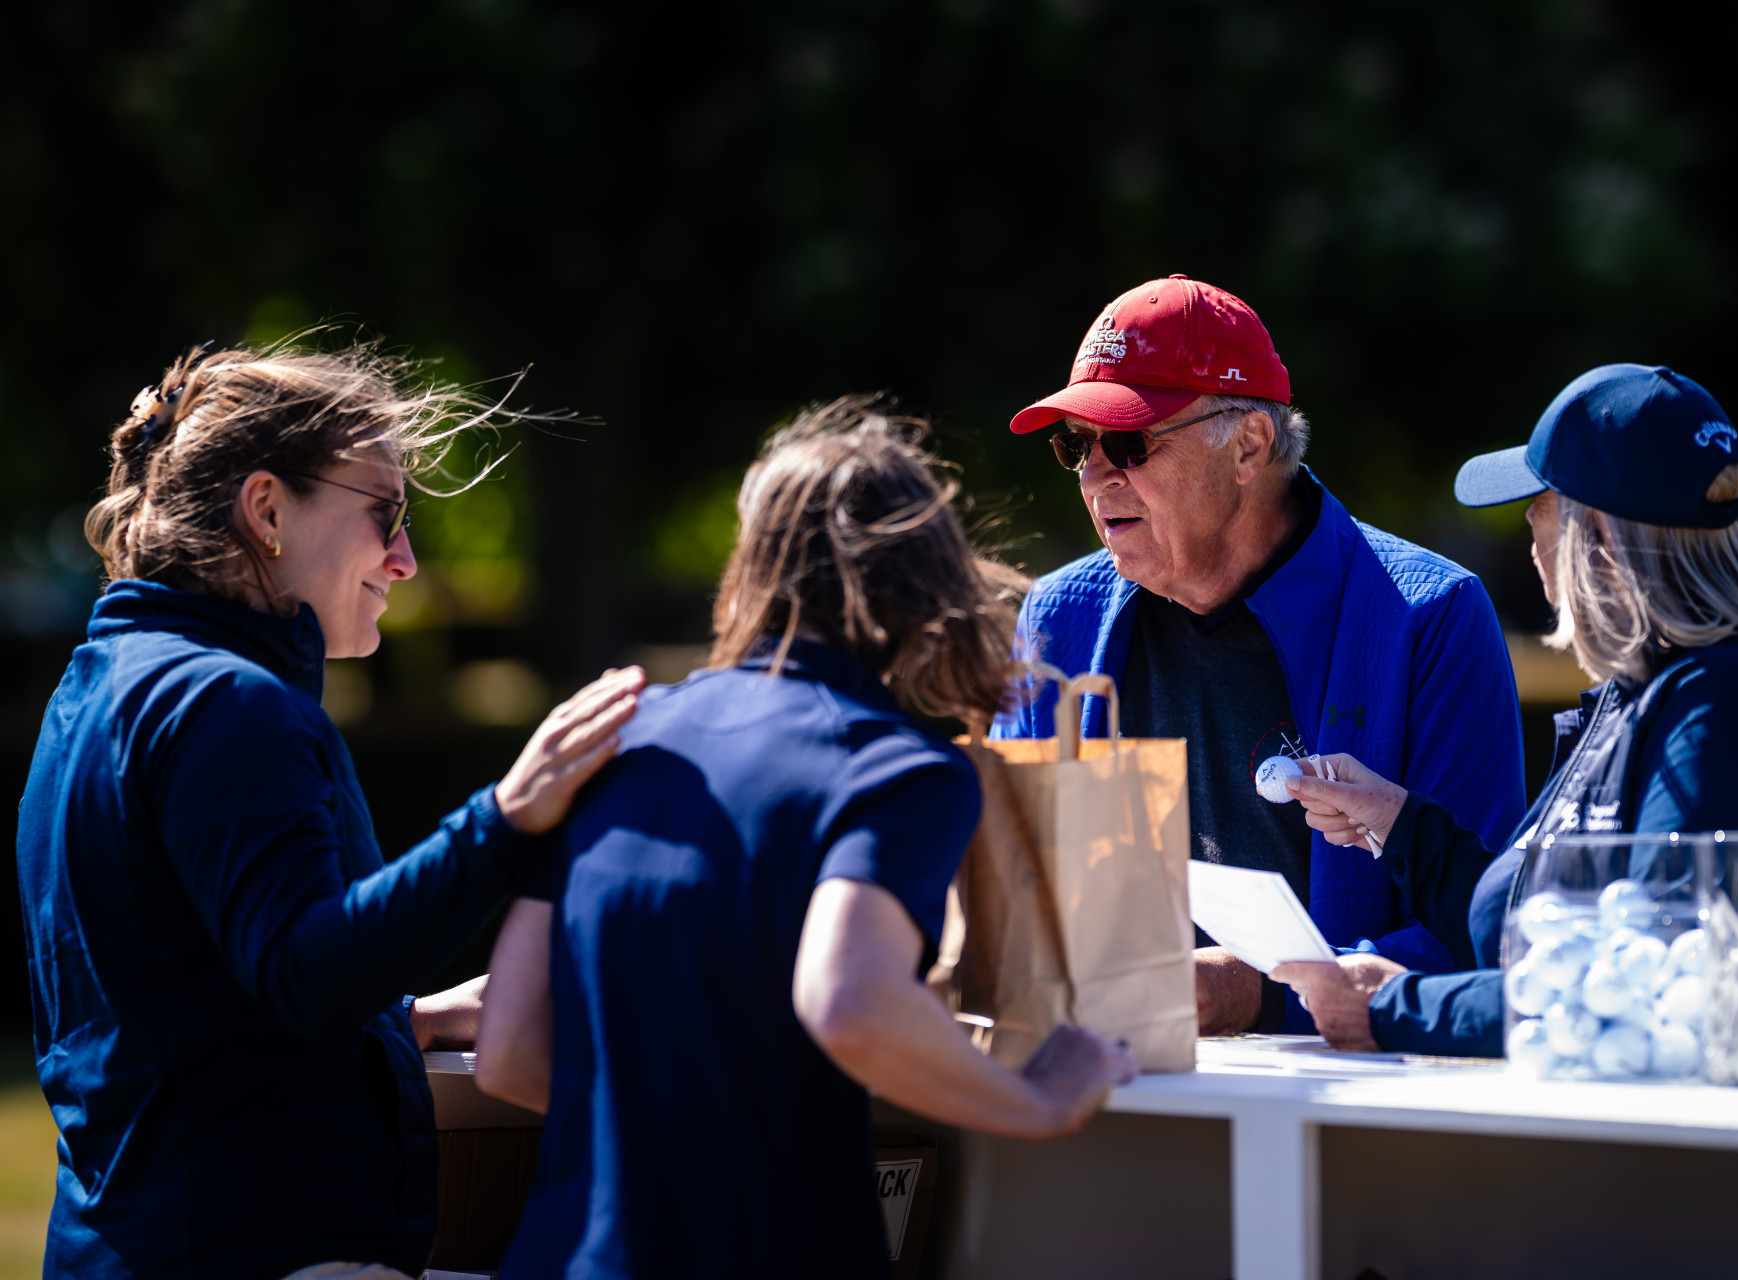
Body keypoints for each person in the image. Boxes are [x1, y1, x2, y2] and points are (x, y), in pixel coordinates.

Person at [15, 343, 646, 1280]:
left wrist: (406, 1020)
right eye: (384, 513)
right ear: (267, 509)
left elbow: (187, 1001)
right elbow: (306, 978)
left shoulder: (100, 688)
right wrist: (509, 816)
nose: (407, 559)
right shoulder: (227, 703)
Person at [473, 397, 1138, 1279]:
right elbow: (851, 1001)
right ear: (929, 574)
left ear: (751, 564)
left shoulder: (615, 740)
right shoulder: (896, 771)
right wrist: (1042, 1102)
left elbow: (510, 1050)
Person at [1275, 363, 1738, 1054]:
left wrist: (1393, 1007)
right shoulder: (1658, 686)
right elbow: (1542, 932)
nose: (1528, 522)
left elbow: (1651, 988)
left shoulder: (1731, 703)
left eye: (1542, 500)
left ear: (1597, 532)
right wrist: (1398, 826)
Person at [992, 274, 1527, 1035]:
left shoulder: (1430, 614)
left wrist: (1261, 993)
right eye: (1076, 445)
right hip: (1114, 1074)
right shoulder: (1058, 617)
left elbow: (1490, 928)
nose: (1096, 473)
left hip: (1355, 1091)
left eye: (1130, 443)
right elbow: (1008, 892)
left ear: (1248, 445)